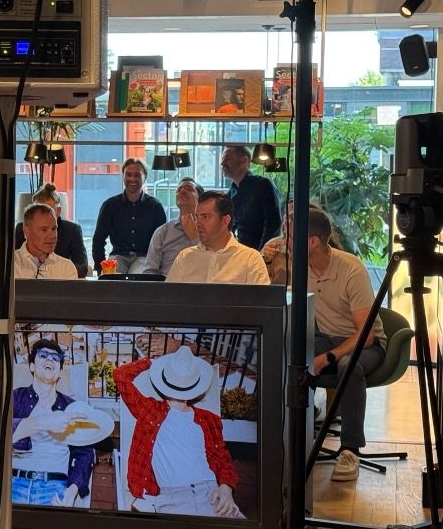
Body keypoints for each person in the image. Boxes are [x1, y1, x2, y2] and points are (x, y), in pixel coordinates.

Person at [290, 206, 386, 482]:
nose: (287, 242)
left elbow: (366, 334)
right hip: (329, 336)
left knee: (348, 366)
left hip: (367, 343)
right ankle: (295, 437)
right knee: (290, 354)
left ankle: (350, 449)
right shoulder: (300, 267)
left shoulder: (351, 269)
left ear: (313, 242)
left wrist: (327, 357)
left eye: (292, 236)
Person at [112, 346, 242, 518]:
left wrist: (226, 487)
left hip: (211, 492)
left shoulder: (209, 420)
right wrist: (151, 362)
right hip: (170, 497)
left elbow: (223, 458)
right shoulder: (149, 410)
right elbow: (120, 375)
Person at [11, 339, 95, 507]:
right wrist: (46, 422)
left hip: (53, 488)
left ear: (60, 372)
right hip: (13, 482)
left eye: (55, 358)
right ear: (32, 366)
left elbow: (85, 453)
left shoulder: (71, 407)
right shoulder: (16, 398)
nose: (50, 359)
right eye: (43, 355)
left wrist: (73, 489)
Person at [165, 191, 271, 285]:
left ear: (225, 221)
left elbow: (261, 300)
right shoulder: (185, 257)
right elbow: (168, 298)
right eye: (197, 217)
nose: (198, 223)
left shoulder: (250, 259)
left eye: (205, 217)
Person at [92, 158, 167, 275]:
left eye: (137, 175)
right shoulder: (110, 205)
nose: (132, 179)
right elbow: (98, 239)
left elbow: (163, 241)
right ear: (123, 177)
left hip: (144, 257)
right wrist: (100, 267)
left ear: (145, 177)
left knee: (137, 280)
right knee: (110, 279)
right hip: (118, 256)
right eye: (128, 174)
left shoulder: (155, 206)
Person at [13, 183, 89, 277]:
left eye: (48, 210)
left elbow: (82, 265)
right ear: (26, 230)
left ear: (58, 211)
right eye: (38, 210)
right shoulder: (14, 263)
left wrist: (57, 270)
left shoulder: (72, 231)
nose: (51, 236)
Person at [221, 145, 282, 250]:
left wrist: (261, 252)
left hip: (260, 253)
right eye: (222, 160)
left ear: (244, 161)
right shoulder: (229, 195)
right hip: (236, 253)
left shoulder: (263, 185)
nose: (222, 163)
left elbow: (273, 223)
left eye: (228, 159)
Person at [142, 177, 202, 277]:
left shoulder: (208, 229)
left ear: (200, 199)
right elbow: (150, 271)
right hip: (167, 284)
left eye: (189, 189)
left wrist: (195, 238)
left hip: (199, 283)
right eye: (179, 190)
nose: (182, 191)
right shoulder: (162, 232)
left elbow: (213, 263)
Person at [13, 204, 78, 280]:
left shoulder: (66, 268)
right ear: (26, 230)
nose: (52, 236)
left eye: (54, 229)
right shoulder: (11, 264)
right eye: (44, 230)